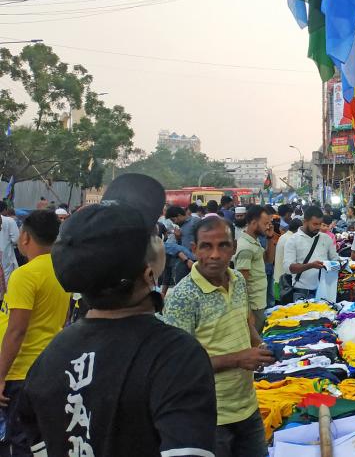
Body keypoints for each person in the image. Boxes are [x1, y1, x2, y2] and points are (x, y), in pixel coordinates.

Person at [17, 173, 217, 456]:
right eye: (151, 237)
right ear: (149, 274)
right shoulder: (176, 355)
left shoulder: (48, 358)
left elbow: (39, 445)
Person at [163, 217, 274, 457]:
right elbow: (178, 367)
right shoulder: (182, 297)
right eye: (206, 246)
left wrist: (260, 346)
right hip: (210, 417)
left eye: (223, 245)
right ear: (194, 249)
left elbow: (246, 324)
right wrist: (237, 359)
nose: (215, 254)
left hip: (248, 407)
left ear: (233, 248)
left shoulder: (239, 281)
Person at [0, 210, 69, 455]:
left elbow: (16, 331)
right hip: (48, 365)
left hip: (19, 371)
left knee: (20, 441)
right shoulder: (62, 270)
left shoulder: (25, 275)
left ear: (26, 237)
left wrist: (0, 375)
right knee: (39, 439)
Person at [233, 205, 274, 334]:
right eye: (265, 223)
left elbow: (269, 259)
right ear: (253, 223)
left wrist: (270, 238)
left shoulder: (253, 242)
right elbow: (241, 283)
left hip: (259, 302)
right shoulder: (245, 247)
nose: (268, 226)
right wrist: (248, 311)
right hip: (253, 305)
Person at [282, 206, 338, 300]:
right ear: (305, 221)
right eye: (315, 224)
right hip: (302, 293)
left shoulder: (326, 238)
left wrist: (339, 264)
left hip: (325, 291)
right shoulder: (293, 240)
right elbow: (289, 268)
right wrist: (310, 265)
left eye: (320, 224)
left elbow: (335, 259)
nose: (318, 227)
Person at [274, 219, 302, 304]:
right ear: (298, 229)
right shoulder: (291, 240)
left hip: (278, 277)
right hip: (285, 280)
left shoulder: (283, 236)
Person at [0, 202, 20, 296]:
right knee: (6, 281)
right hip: (5, 256)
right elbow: (16, 239)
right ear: (5, 210)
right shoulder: (9, 221)